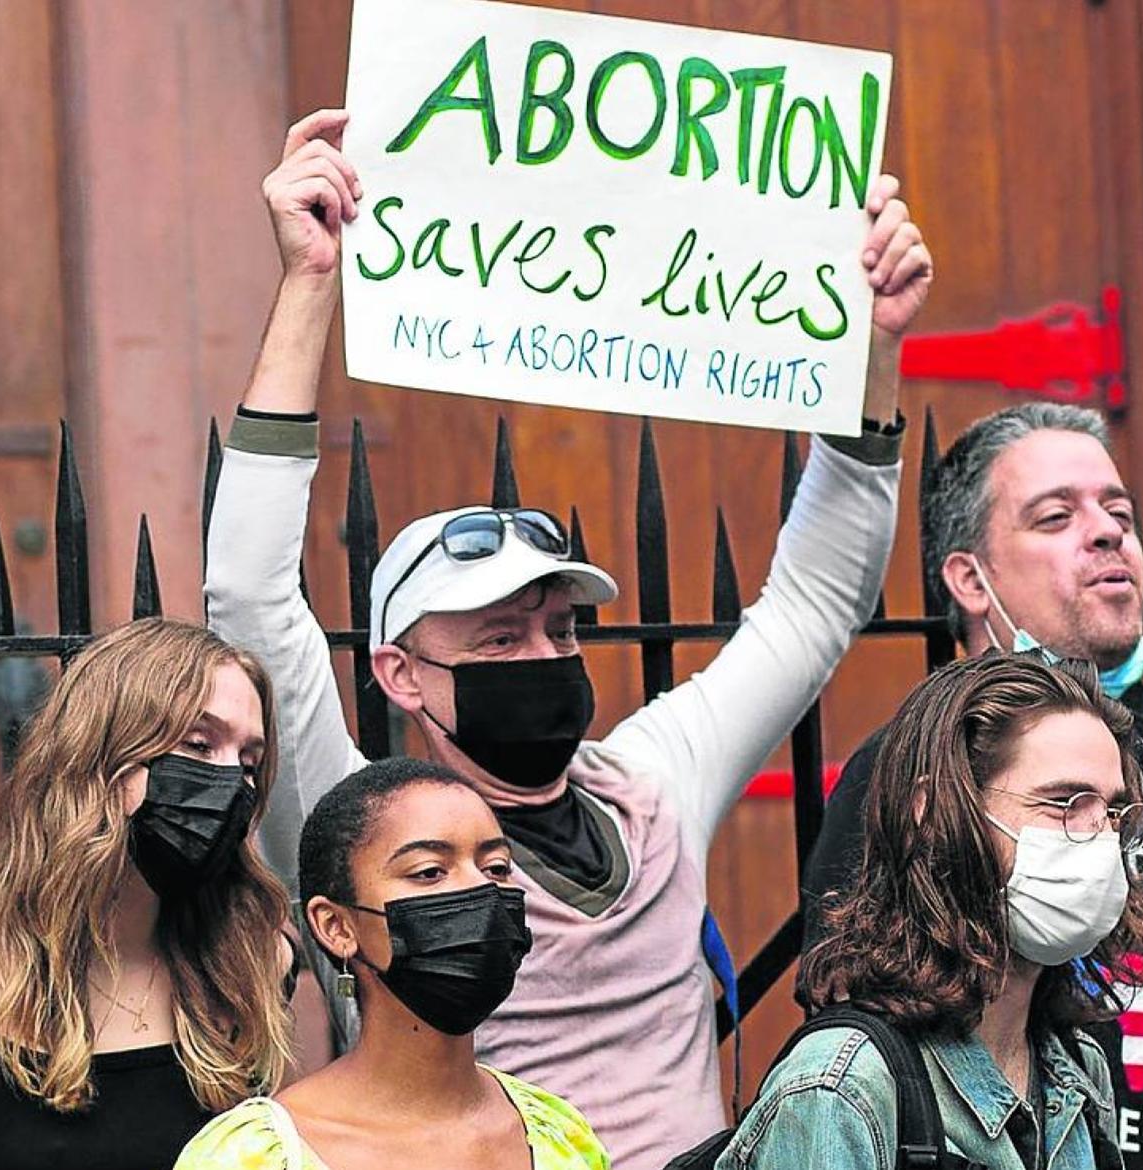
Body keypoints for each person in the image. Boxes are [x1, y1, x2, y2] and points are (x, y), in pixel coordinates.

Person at [204, 107, 933, 1168]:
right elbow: (250, 598)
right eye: (498, 640)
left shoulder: (651, 784)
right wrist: (311, 281)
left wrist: (873, 347)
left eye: (558, 629)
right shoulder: (351, 823)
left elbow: (815, 601)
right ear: (401, 673)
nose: (544, 660)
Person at [802, 402, 1143, 1170]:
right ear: (970, 578)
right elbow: (850, 1014)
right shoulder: (906, 775)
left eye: (1117, 510)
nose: (1107, 531)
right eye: (1055, 516)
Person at [718, 652, 1143, 1169]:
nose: (1100, 840)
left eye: (1114, 812)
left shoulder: (1077, 1070)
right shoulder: (842, 1091)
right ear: (931, 815)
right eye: (1064, 803)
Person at [0, 618, 295, 1170]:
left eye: (248, 763)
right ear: (100, 755)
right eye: (198, 743)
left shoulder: (256, 964)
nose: (230, 784)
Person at [175, 756, 608, 1169]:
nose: (481, 889)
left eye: (496, 867)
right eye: (429, 871)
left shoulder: (560, 1135)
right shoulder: (254, 1157)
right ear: (336, 926)